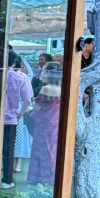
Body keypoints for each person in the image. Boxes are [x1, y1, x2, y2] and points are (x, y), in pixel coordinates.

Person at [27, 56, 62, 186]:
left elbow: (37, 107)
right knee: (52, 149)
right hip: (56, 121)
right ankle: (50, 176)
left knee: (40, 149)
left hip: (43, 122)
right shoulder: (62, 88)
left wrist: (31, 113)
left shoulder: (46, 89)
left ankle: (40, 177)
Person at [0, 51, 32, 190]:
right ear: (14, 63)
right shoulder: (20, 78)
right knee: (8, 150)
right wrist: (19, 116)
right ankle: (7, 180)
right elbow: (27, 100)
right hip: (11, 119)